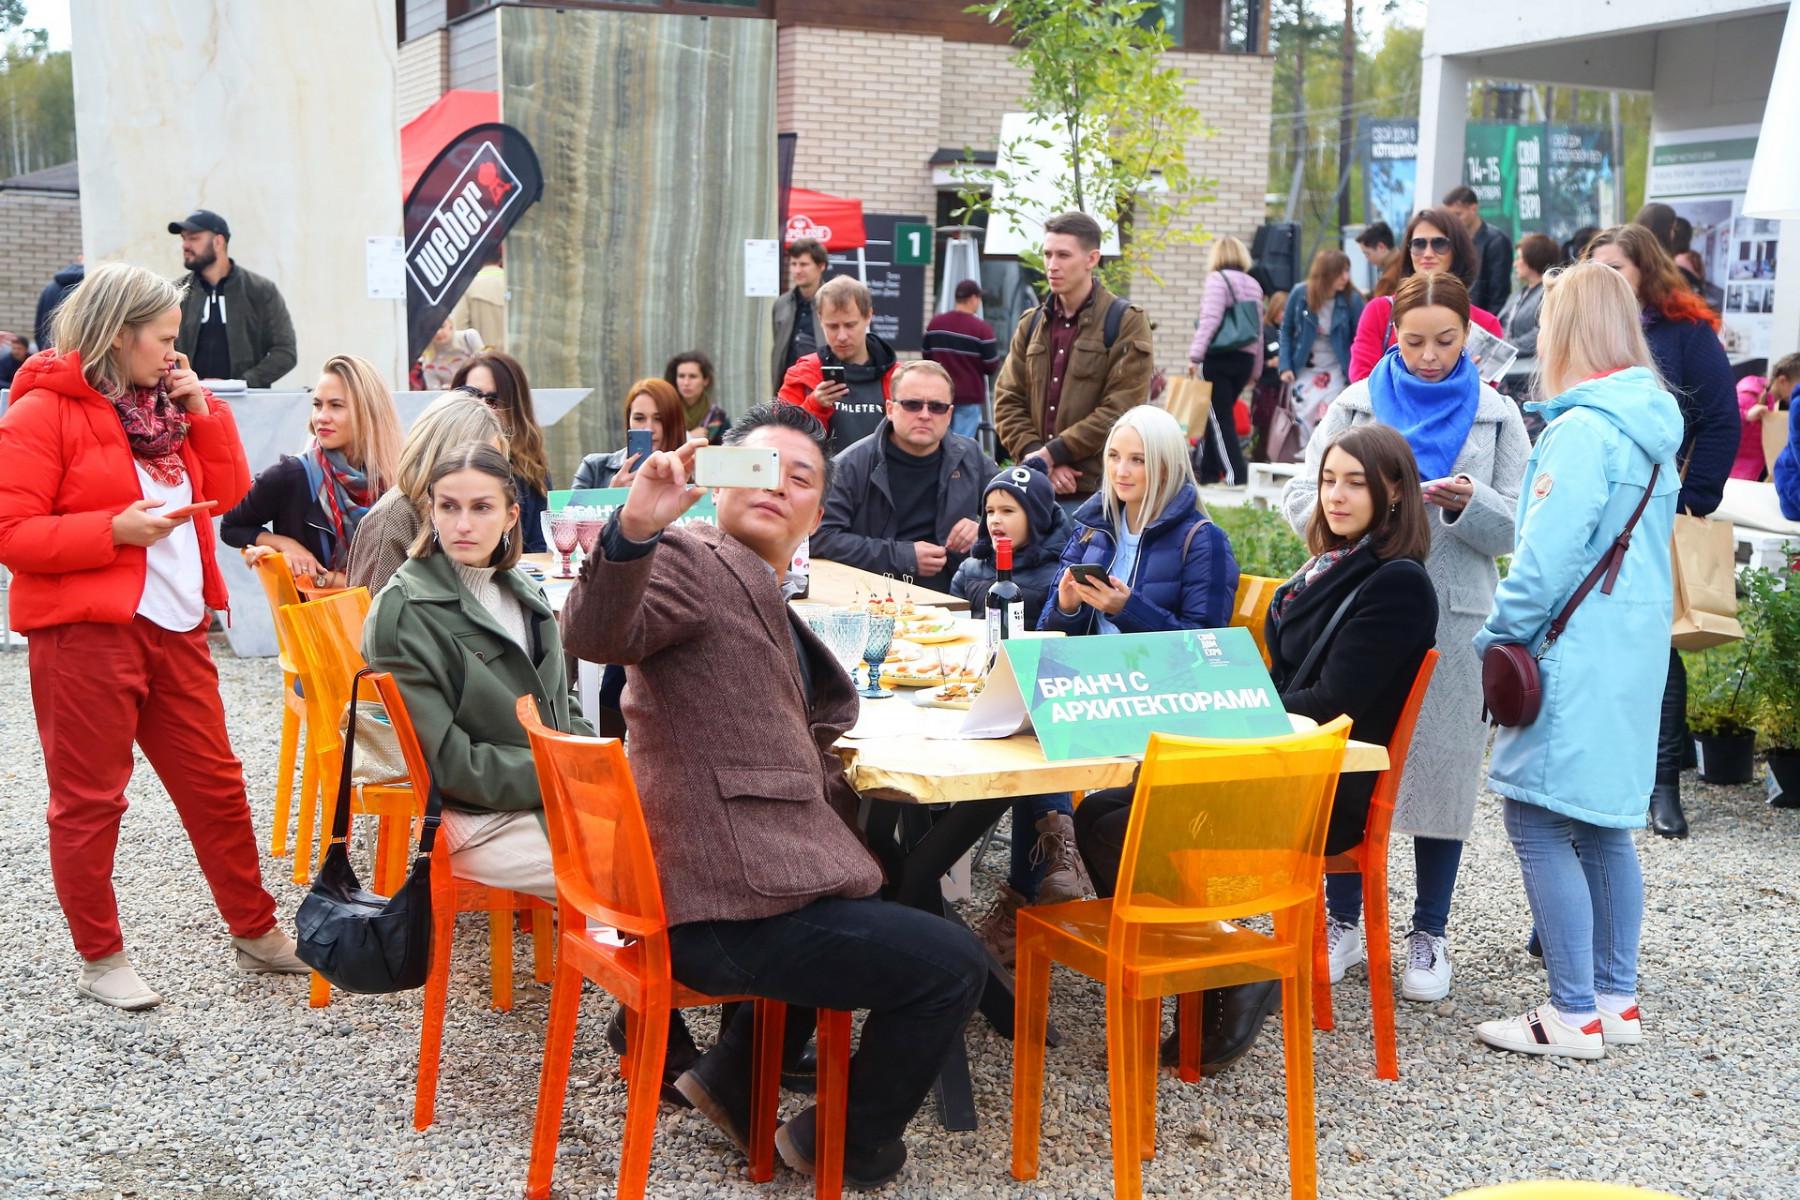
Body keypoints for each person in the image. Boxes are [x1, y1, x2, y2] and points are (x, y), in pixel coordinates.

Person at [562, 404, 987, 1189]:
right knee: (952, 965)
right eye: (759, 468)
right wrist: (637, 528)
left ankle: (732, 1080)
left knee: (876, 882)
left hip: (745, 877)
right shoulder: (691, 557)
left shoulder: (760, 585)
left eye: (800, 478)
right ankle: (848, 1142)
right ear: (719, 484)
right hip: (721, 907)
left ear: (818, 516)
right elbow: (596, 635)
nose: (777, 487)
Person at [0, 262, 308, 1010]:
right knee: (90, 802)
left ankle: (255, 931)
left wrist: (205, 411)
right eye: (165, 338)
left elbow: (228, 498)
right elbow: (13, 535)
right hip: (85, 636)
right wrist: (112, 530)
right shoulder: (41, 413)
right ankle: (101, 957)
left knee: (216, 786)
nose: (175, 352)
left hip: (177, 629)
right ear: (117, 333)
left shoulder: (165, 409)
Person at [1282, 271, 1528, 1005]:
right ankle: (1344, 920)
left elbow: (1520, 525)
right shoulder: (1355, 404)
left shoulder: (1497, 415)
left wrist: (1468, 504)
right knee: (1351, 758)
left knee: (1444, 774)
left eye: (1445, 342)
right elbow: (1301, 493)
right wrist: (1357, 511)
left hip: (1454, 614)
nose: (1428, 356)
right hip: (1359, 611)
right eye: (1414, 341)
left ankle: (1430, 931)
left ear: (1468, 337)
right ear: (1393, 336)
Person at [1472, 262, 1682, 1060]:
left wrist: (1496, 636)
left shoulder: (1584, 430)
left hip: (1572, 649)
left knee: (1535, 817)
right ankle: (1613, 999)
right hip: (1630, 649)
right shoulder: (1651, 428)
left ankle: (1570, 1012)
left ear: (1567, 330)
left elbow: (1543, 561)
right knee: (1603, 826)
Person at [1209, 423, 1438, 1073]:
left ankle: (1232, 975)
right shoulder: (1330, 567)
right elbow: (1290, 682)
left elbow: (1333, 701)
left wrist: (1231, 710)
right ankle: (1220, 976)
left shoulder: (1397, 583)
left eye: (1355, 484)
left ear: (1395, 493)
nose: (1335, 495)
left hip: (1330, 790)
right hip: (1290, 766)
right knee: (1107, 810)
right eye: (1328, 480)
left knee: (1126, 820)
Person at [364, 442, 590, 906]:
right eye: (449, 507)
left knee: (680, 849)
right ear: (431, 511)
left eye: (481, 508)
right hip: (471, 819)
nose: (462, 524)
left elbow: (558, 702)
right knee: (638, 876)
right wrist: (562, 775)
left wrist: (596, 762)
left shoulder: (522, 590)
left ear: (511, 516)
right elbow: (447, 764)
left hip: (542, 799)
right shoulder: (404, 612)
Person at [1583, 224, 1737, 839]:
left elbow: (1722, 419)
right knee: (1590, 639)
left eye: (1616, 267)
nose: (1605, 279)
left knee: (1659, 643)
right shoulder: (1585, 331)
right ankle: (1599, 775)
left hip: (1657, 512)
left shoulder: (1684, 332)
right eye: (1596, 268)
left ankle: (1662, 785)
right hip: (1591, 509)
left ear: (1645, 269)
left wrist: (1692, 501)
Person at [954, 462, 1083, 967]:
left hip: (1039, 699)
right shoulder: (973, 569)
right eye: (989, 510)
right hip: (975, 692)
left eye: (1008, 510)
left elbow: (1067, 644)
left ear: (1036, 515)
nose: (995, 520)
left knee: (1031, 737)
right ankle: (1053, 847)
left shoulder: (1059, 571)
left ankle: (1042, 867)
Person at [992, 211, 1154, 508]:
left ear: (1092, 259)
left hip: (1095, 492)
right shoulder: (1031, 323)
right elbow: (1006, 400)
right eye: (1048, 254)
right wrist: (1037, 457)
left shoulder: (1125, 321)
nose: (1052, 265)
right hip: (1033, 489)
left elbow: (1121, 409)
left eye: (1063, 255)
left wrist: (1054, 453)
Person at [1042, 404, 1238, 640]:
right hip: (1090, 664)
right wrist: (1067, 609)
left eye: (1138, 460)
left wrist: (1126, 610)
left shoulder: (1204, 541)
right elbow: (1047, 634)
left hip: (1158, 666)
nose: (1121, 471)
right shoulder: (1091, 528)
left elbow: (1207, 643)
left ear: (1167, 468)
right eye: (1114, 456)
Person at [811, 360, 996, 592]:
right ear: (890, 409)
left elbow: (1020, 507)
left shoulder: (971, 456)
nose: (925, 415)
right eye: (912, 405)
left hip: (960, 594)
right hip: (876, 597)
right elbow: (818, 537)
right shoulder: (850, 465)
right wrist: (902, 557)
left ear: (949, 414)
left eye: (937, 407)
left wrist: (983, 527)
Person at [220, 354, 403, 587]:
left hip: (381, 610)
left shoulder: (399, 482)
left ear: (369, 412)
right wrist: (283, 545)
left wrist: (323, 579)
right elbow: (231, 526)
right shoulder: (291, 475)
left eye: (336, 406)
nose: (321, 417)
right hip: (312, 610)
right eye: (317, 405)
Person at [346, 392, 508, 594]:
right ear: (443, 457)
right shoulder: (392, 520)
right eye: (482, 463)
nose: (490, 476)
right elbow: (374, 612)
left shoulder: (489, 511)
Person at [1349, 208, 1505, 382]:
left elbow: (1487, 391)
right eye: (1419, 244)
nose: (1428, 254)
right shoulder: (1379, 311)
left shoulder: (1486, 324)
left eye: (1439, 244)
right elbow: (1362, 380)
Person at [169, 209, 297, 387]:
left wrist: (241, 383)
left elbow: (285, 352)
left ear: (218, 242)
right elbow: (162, 347)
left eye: (194, 238)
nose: (185, 245)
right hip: (187, 398)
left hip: (245, 400)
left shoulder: (260, 290)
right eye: (184, 238)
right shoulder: (175, 293)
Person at [776, 274, 899, 453]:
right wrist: (814, 405)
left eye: (850, 325)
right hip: (822, 470)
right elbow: (781, 439)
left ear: (868, 316)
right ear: (820, 320)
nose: (842, 336)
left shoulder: (898, 377)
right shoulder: (803, 374)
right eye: (833, 326)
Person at [451, 351, 553, 553]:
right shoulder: (437, 467)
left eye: (493, 400)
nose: (482, 407)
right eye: (471, 396)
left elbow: (540, 548)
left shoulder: (530, 472)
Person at [1187, 234, 1266, 486]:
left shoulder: (1217, 280)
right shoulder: (1254, 284)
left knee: (1220, 419)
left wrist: (1195, 355)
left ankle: (1236, 476)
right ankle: (1208, 472)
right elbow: (1259, 331)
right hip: (1244, 360)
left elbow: (1210, 320)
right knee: (1217, 418)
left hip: (1218, 358)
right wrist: (1256, 369)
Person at [1280, 249, 1364, 430]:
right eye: (1339, 272)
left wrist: (1357, 372)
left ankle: (1326, 449)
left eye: (1347, 271)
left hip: (1337, 368)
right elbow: (1286, 330)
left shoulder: (1352, 300)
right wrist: (1285, 366)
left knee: (1330, 419)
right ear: (1325, 274)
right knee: (1302, 419)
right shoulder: (1300, 294)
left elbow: (1360, 338)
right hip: (1304, 367)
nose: (1345, 277)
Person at [572, 378, 689, 491]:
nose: (648, 428)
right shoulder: (594, 468)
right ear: (628, 420)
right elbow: (570, 505)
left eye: (659, 419)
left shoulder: (695, 471)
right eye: (639, 418)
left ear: (674, 422)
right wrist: (613, 495)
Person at [922, 279, 1002, 439]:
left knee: (937, 441)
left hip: (939, 394)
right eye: (979, 298)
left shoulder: (936, 323)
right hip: (969, 397)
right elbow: (991, 366)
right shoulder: (982, 329)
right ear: (973, 298)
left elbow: (927, 357)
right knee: (961, 444)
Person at [1495, 232, 1560, 418]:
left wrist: (1507, 347)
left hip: (1531, 379)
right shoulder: (1520, 293)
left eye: (1519, 258)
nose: (1515, 264)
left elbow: (1543, 331)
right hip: (1511, 375)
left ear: (1533, 258)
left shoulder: (1549, 293)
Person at [1443, 185, 1513, 313]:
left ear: (1473, 209)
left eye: (1458, 214)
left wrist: (1488, 322)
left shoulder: (1496, 241)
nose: (1454, 221)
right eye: (1450, 217)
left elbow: (1499, 293)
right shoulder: (1452, 241)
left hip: (1484, 317)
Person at [771, 237, 828, 393]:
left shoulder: (833, 303)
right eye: (793, 264)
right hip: (786, 388)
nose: (797, 270)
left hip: (820, 388)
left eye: (803, 264)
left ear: (821, 266)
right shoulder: (781, 304)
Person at [1732, 354, 1798, 482]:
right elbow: (1721, 420)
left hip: (1755, 474)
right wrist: (1746, 415)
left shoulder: (1776, 403)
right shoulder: (1748, 395)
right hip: (1739, 478)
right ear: (1783, 381)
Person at [666, 349, 729, 445]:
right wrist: (688, 436)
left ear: (705, 380)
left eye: (693, 376)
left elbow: (728, 449)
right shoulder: (666, 411)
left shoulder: (718, 417)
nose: (686, 383)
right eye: (681, 376)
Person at [413, 316, 482, 391]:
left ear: (450, 324)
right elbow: (433, 392)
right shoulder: (428, 360)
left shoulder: (469, 337)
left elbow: (486, 365)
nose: (438, 332)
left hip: (478, 391)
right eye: (432, 329)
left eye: (442, 326)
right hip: (453, 396)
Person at [35, 259, 83, 350]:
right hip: (76, 350)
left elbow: (39, 325)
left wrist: (43, 348)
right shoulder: (86, 287)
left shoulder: (49, 288)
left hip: (49, 349)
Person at [1356, 222, 1397, 291]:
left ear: (1381, 247)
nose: (1367, 258)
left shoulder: (1388, 280)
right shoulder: (1405, 262)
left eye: (1367, 253)